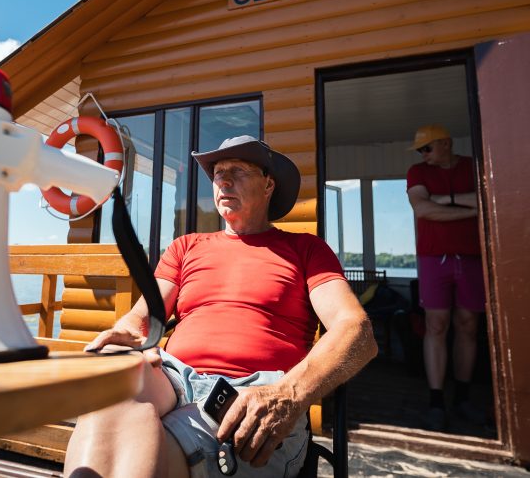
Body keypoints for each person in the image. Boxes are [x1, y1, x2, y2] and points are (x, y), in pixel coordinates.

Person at [65, 135, 377, 478]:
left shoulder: (306, 250)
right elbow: (143, 317)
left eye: (238, 171)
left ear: (269, 184)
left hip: (254, 393)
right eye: (218, 173)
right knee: (111, 389)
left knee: (137, 448)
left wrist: (290, 393)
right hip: (172, 376)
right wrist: (124, 336)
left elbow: (357, 332)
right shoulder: (186, 247)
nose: (224, 180)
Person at [405, 124, 486, 431]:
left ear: (446, 144)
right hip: (432, 258)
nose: (423, 155)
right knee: (435, 325)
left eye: (427, 148)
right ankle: (436, 401)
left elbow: (489, 198)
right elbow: (423, 209)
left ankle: (463, 399)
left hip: (472, 256)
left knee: (469, 324)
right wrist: (472, 207)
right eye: (420, 150)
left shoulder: (472, 166)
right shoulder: (417, 172)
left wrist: (444, 199)